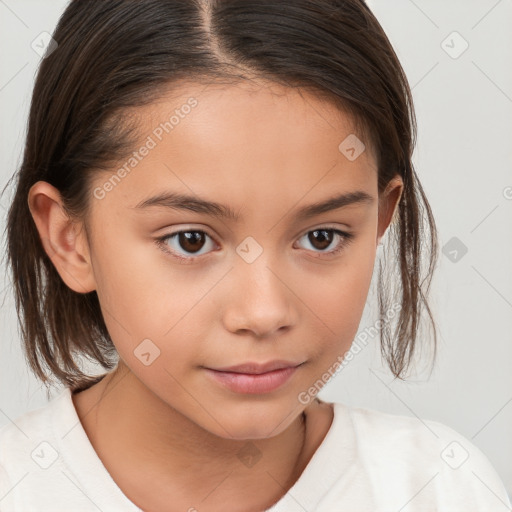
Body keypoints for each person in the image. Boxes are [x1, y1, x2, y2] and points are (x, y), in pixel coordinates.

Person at [1, 1, 510, 511]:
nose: (264, 313)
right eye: (191, 240)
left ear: (380, 219)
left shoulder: (440, 488)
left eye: (321, 237)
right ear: (71, 238)